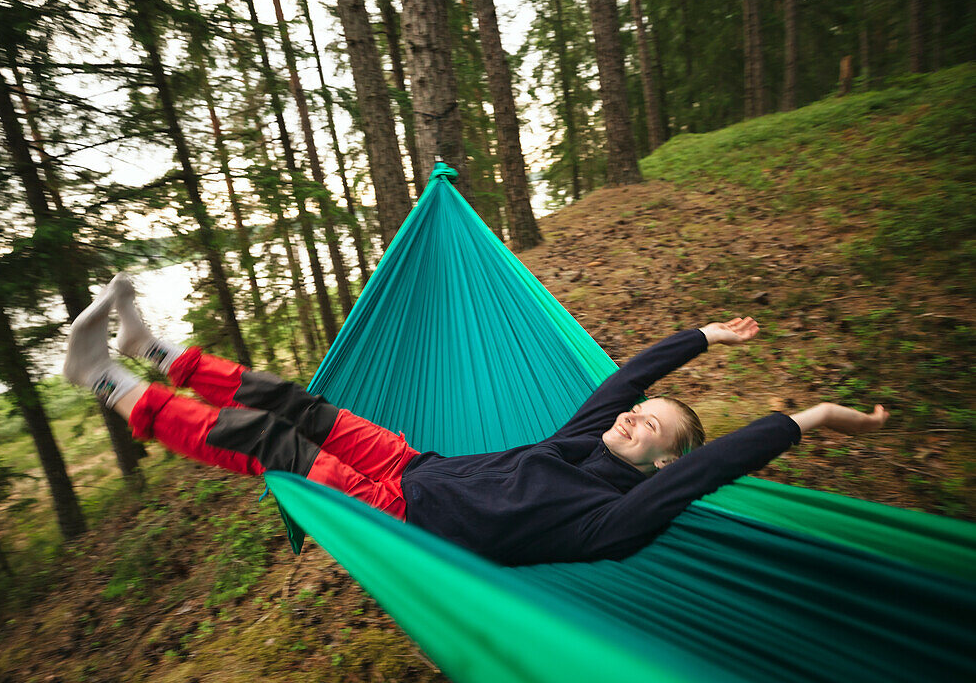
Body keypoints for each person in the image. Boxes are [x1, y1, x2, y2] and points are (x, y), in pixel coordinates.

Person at [65, 274, 889, 566]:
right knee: (297, 403)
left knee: (266, 443)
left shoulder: (614, 517)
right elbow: (626, 377)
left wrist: (805, 417)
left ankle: (107, 382)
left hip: (399, 515)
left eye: (655, 428)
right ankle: (161, 351)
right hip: (416, 463)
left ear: (663, 467)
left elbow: (714, 465)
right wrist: (703, 337)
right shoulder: (583, 439)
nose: (636, 416)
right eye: (644, 412)